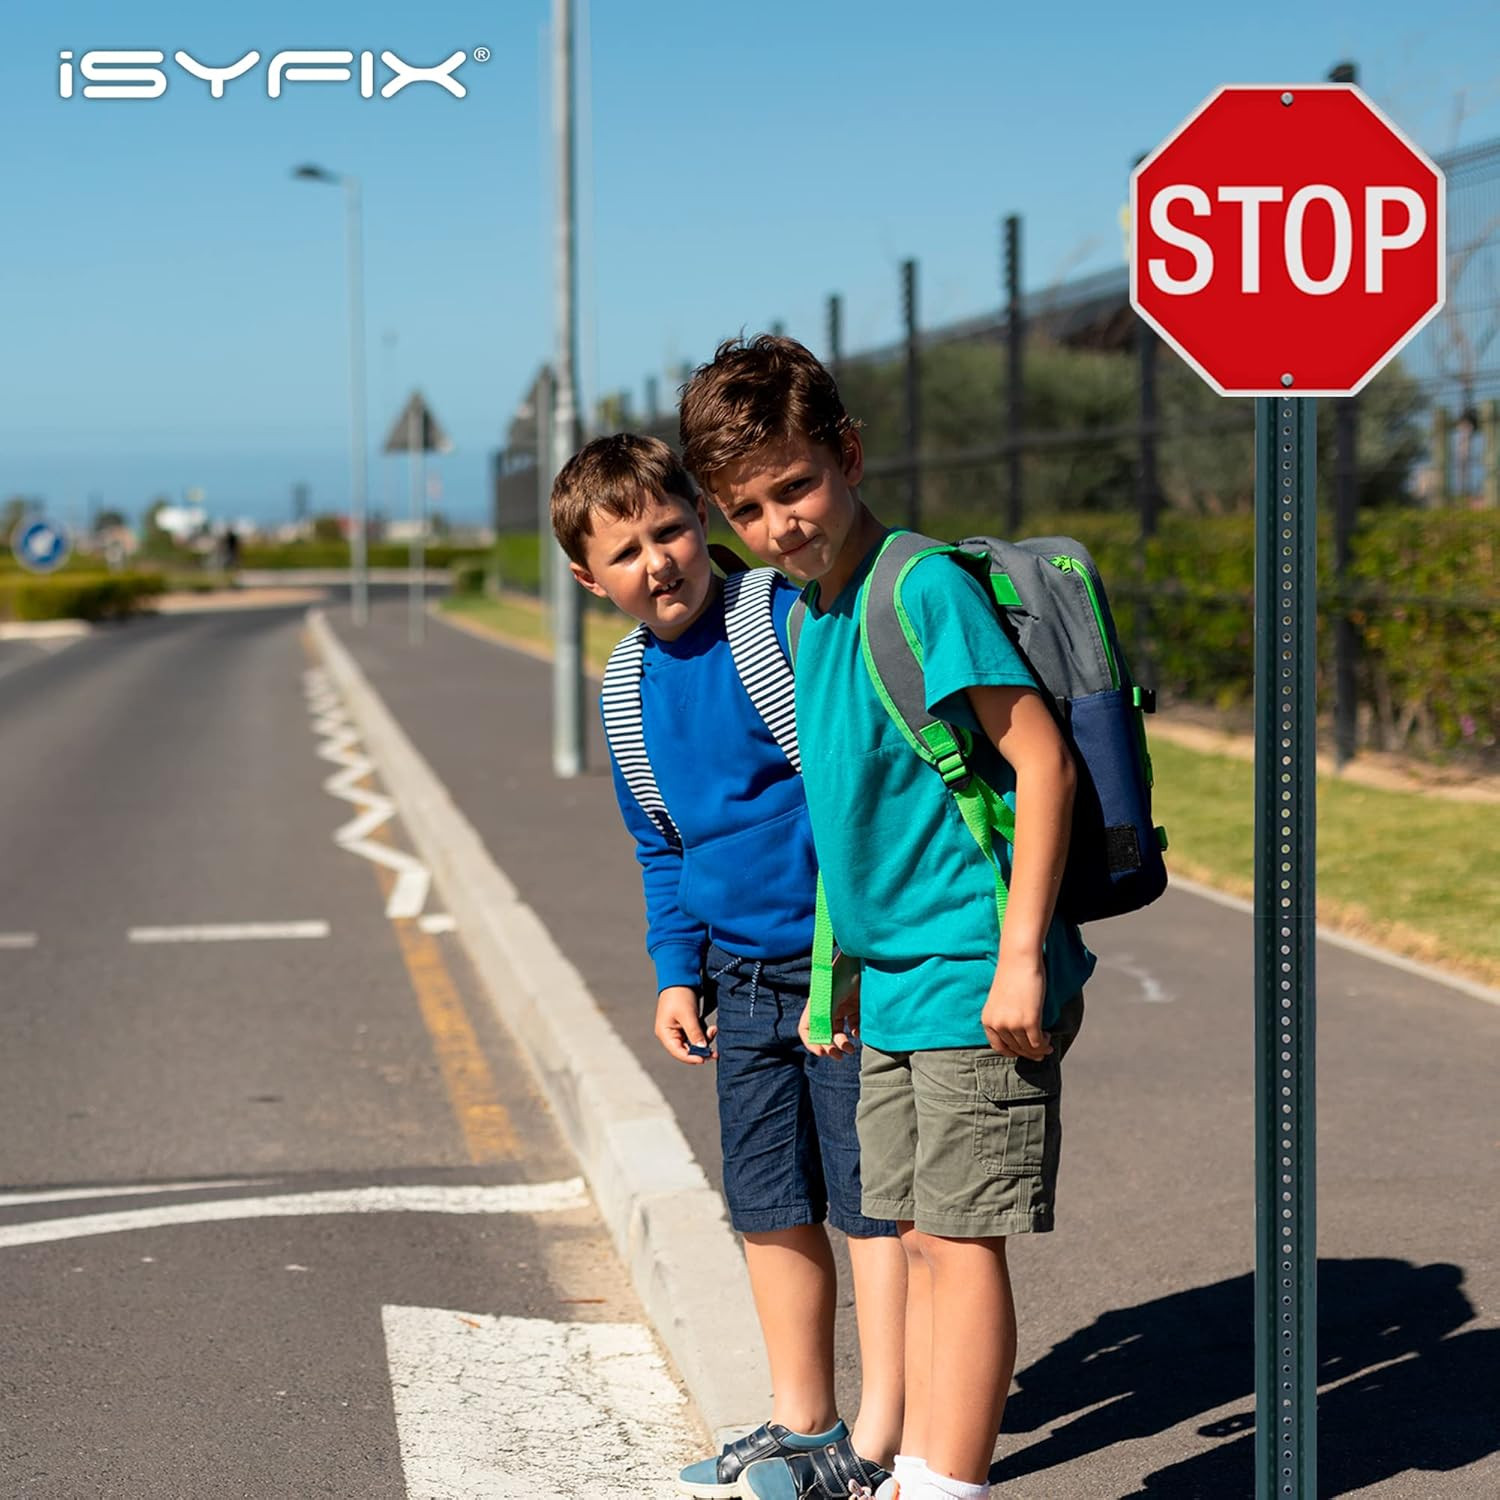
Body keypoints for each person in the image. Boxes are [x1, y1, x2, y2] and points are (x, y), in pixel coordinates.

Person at [679, 337, 1096, 1500]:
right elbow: (848, 817)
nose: (778, 525)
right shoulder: (808, 617)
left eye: (796, 486)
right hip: (895, 983)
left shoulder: (918, 589)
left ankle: (948, 1485)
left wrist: (1022, 959)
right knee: (908, 1235)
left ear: (849, 456)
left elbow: (1041, 763)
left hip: (973, 966)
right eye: (747, 509)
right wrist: (834, 981)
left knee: (959, 1243)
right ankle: (911, 1470)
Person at [550, 433, 905, 1500]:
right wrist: (675, 970)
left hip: (842, 967)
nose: (657, 562)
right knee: (768, 1203)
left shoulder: (774, 620)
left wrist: (851, 956)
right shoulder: (625, 687)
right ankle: (803, 1419)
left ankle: (880, 1439)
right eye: (625, 553)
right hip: (740, 981)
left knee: (873, 1204)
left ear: (702, 521)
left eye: (669, 531)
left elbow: (850, 786)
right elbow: (660, 846)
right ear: (588, 580)